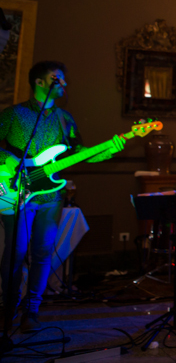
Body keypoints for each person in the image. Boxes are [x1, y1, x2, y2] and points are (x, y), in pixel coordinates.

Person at [1, 61, 124, 332]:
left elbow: (80, 152)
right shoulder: (13, 114)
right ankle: (7, 309)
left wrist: (108, 149)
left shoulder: (65, 119)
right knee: (16, 252)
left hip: (51, 196)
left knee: (42, 253)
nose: (65, 83)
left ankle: (31, 311)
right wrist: (10, 163)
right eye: (58, 79)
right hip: (15, 191)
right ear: (40, 82)